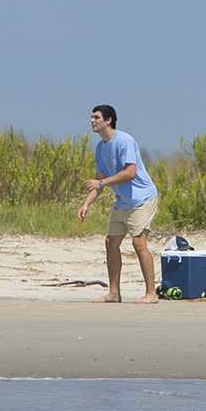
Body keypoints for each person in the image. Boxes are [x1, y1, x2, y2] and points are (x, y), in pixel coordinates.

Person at [71, 104, 160, 303]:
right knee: (111, 243)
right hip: (123, 202)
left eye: (96, 117)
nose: (92, 121)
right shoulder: (100, 148)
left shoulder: (124, 141)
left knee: (138, 243)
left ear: (108, 120)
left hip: (142, 198)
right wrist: (86, 204)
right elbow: (98, 183)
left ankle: (151, 294)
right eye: (91, 117)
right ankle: (114, 293)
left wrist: (101, 182)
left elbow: (130, 173)